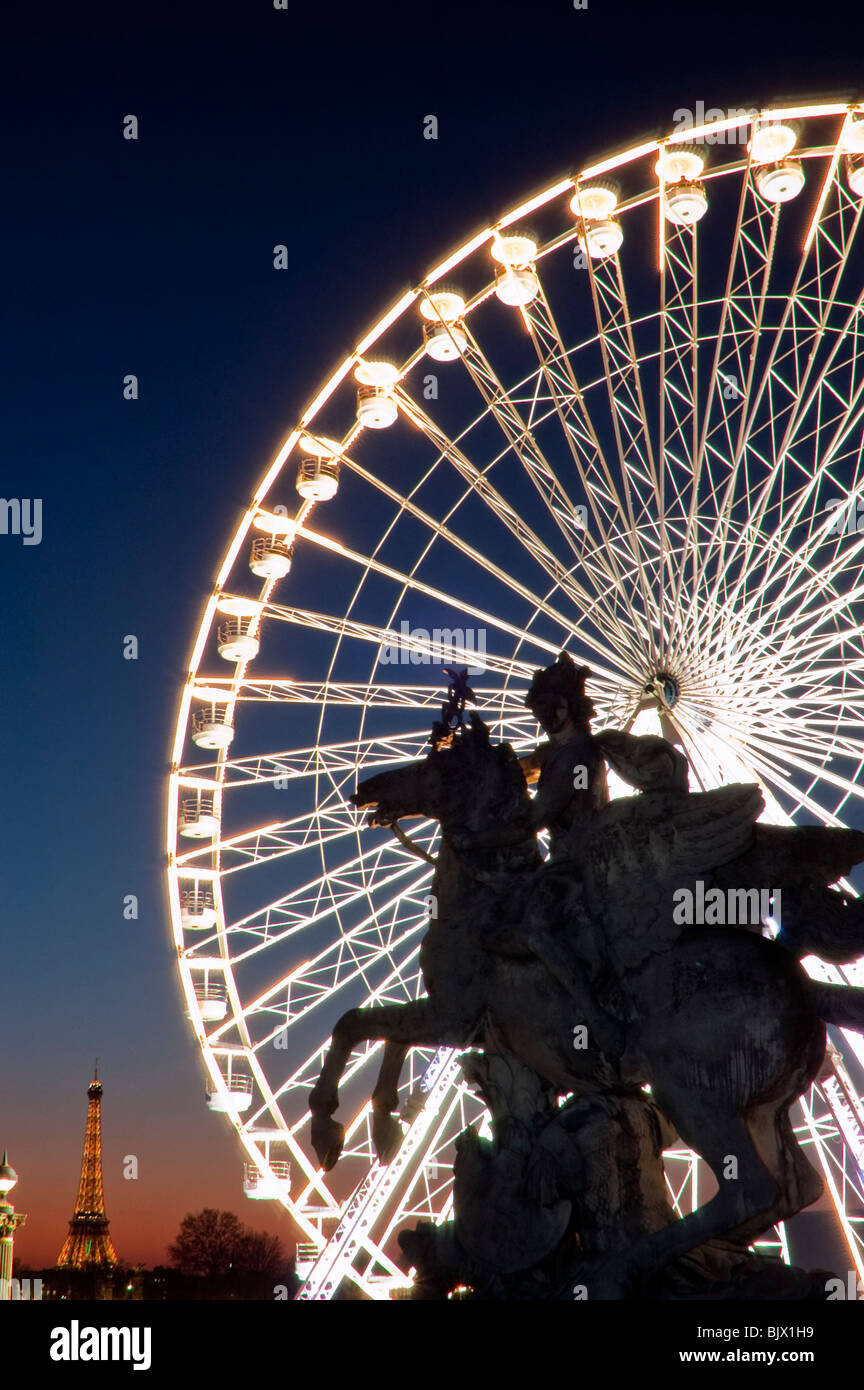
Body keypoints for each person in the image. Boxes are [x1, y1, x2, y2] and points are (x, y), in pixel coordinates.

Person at [453, 652, 689, 1056]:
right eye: (539, 709)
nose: (545, 716)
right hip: (566, 859)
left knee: (538, 927)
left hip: (581, 861)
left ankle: (597, 1019)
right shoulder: (557, 754)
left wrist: (476, 841)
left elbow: (536, 816)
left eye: (553, 707)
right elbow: (518, 771)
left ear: (570, 706)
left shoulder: (578, 755)